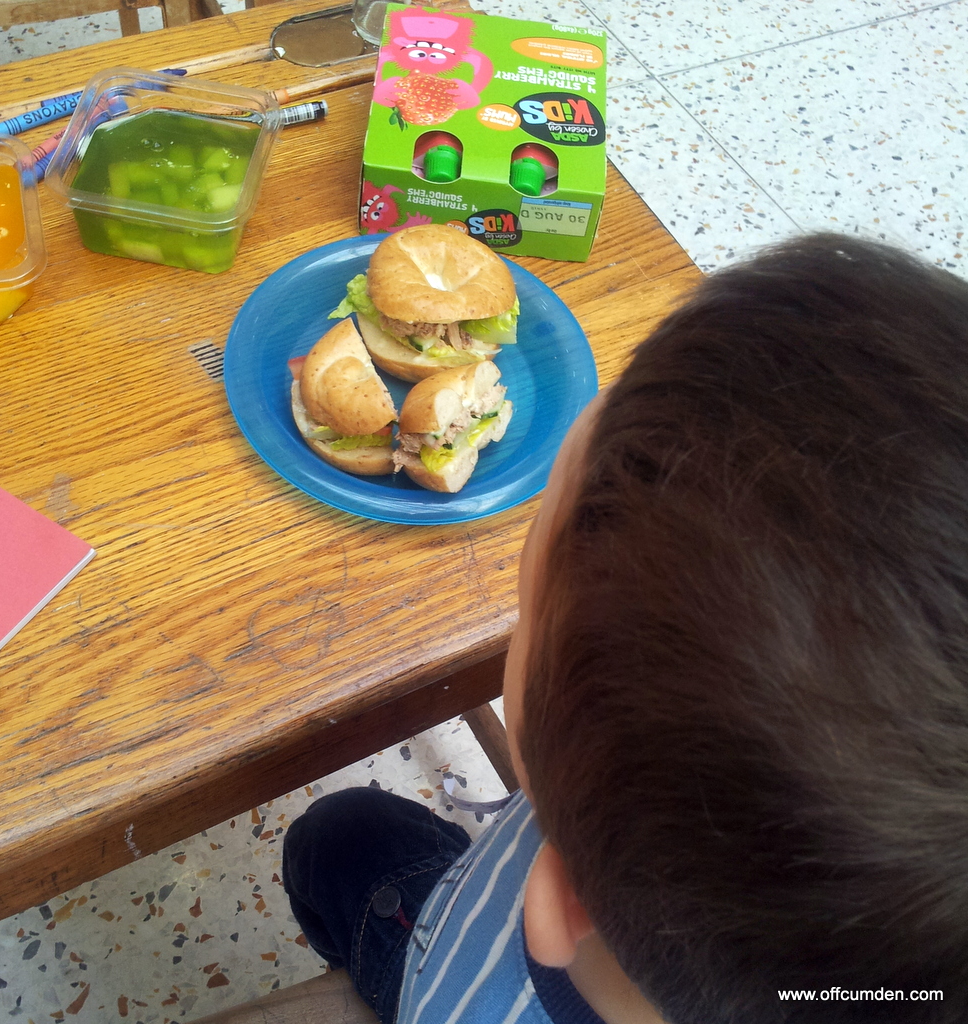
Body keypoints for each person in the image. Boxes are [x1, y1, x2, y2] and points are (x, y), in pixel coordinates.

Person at [282, 234, 968, 1024]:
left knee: (333, 841)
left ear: (564, 904)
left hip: (438, 962)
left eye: (530, 590)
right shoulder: (688, 836)